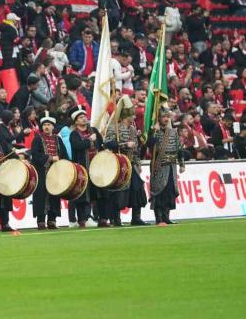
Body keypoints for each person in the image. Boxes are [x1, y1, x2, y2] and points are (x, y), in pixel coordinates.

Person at [103, 97, 148, 226]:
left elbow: (136, 148)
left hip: (131, 163)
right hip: (119, 164)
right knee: (118, 191)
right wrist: (123, 144)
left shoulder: (133, 129)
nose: (134, 116)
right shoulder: (113, 128)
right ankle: (116, 219)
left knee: (137, 188)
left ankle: (136, 217)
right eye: (131, 114)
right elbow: (107, 143)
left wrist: (138, 163)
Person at [30, 111, 67, 229]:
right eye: (44, 124)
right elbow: (35, 155)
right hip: (41, 173)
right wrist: (50, 158)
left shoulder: (58, 140)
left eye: (49, 124)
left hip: (55, 174)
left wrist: (60, 160)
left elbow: (65, 156)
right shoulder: (37, 139)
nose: (46, 127)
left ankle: (52, 220)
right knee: (41, 196)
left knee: (54, 196)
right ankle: (41, 221)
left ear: (53, 126)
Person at [148, 106, 185, 226]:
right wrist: (154, 132)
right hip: (159, 165)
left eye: (167, 116)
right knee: (159, 192)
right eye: (164, 116)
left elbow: (179, 148)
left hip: (171, 166)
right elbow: (149, 145)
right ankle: (159, 219)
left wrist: (182, 164)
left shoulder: (173, 132)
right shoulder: (153, 131)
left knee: (170, 192)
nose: (166, 119)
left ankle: (166, 217)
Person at [69, 106, 104, 228]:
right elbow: (77, 145)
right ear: (76, 121)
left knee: (98, 193)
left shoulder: (94, 130)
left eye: (84, 116)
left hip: (96, 168)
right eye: (81, 117)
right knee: (84, 195)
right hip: (82, 169)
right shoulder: (74, 134)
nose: (84, 119)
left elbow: (101, 145)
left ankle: (100, 218)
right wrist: (90, 140)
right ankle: (85, 218)